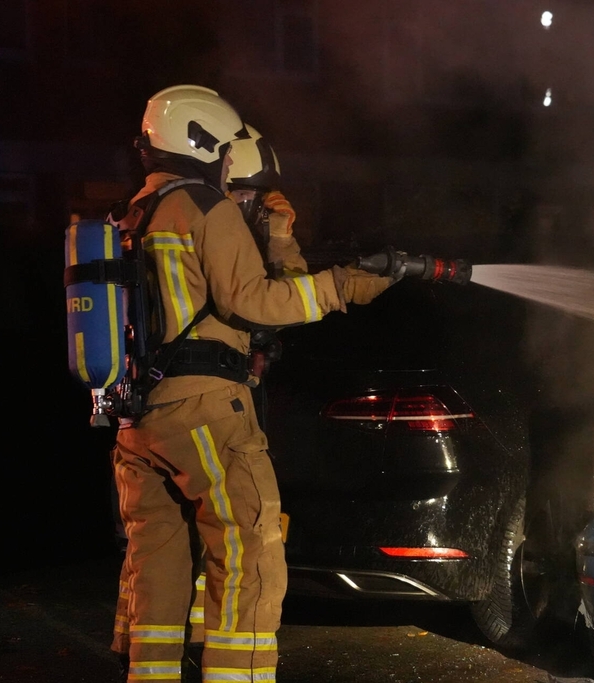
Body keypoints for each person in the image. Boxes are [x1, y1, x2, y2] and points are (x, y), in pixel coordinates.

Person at [109, 84, 393, 683]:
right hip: (204, 408)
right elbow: (254, 301)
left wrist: (281, 240)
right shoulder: (204, 207)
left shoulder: (137, 212)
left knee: (158, 557)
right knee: (251, 545)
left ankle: (150, 673)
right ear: (204, 143)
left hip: (138, 416)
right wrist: (341, 287)